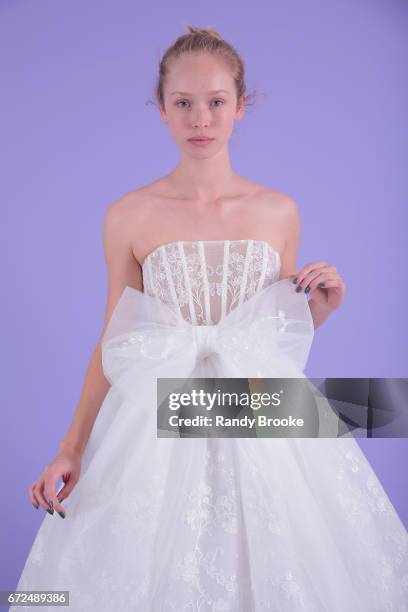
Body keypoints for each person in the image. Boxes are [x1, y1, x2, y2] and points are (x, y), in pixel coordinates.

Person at [15, 25, 408, 612]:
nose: (201, 118)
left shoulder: (278, 211)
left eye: (216, 102)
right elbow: (114, 339)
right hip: (153, 424)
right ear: (163, 110)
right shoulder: (129, 215)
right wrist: (70, 448)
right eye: (184, 104)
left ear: (240, 106)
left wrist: (319, 313)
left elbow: (266, 336)